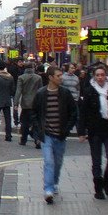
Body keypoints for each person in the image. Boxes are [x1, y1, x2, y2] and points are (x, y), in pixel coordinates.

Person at [32, 65, 80, 204]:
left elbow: (73, 112)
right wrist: (38, 131)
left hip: (60, 135)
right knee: (49, 162)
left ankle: (54, 183)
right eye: (59, 76)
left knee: (58, 162)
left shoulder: (65, 93)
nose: (61, 78)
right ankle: (48, 190)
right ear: (51, 77)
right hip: (46, 134)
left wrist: (67, 129)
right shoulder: (41, 93)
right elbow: (34, 113)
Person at [81, 64, 108, 200]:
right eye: (97, 75)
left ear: (106, 76)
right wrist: (82, 131)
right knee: (96, 161)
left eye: (102, 75)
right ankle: (98, 188)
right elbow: (84, 112)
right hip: (95, 130)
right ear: (94, 76)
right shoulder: (89, 91)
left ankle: (106, 181)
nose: (100, 77)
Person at [14, 62, 43, 148]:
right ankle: (37, 140)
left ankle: (23, 140)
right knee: (36, 122)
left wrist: (16, 103)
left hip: (26, 104)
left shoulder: (21, 78)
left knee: (24, 123)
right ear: (33, 68)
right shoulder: (38, 78)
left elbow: (18, 91)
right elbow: (41, 90)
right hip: (36, 104)